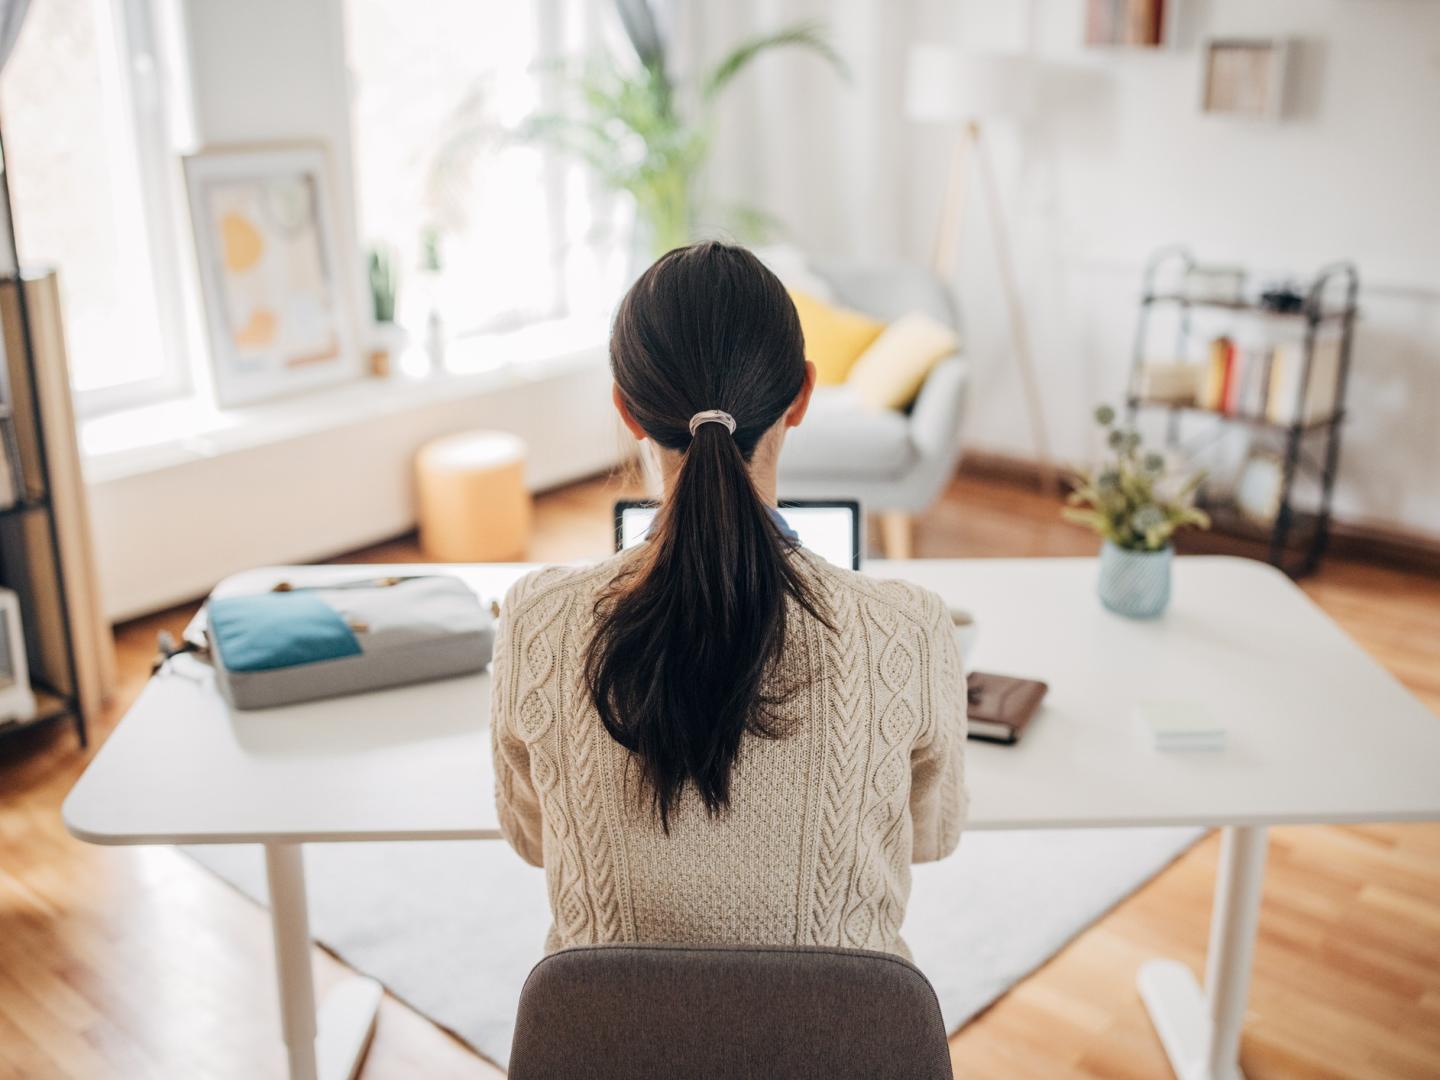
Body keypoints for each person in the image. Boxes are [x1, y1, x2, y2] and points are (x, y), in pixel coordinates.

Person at [490, 241, 966, 958]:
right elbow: (931, 837)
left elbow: (534, 842)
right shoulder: (910, 628)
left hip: (606, 1048)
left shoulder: (536, 621)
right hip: (843, 1053)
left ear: (627, 409)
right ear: (802, 396)